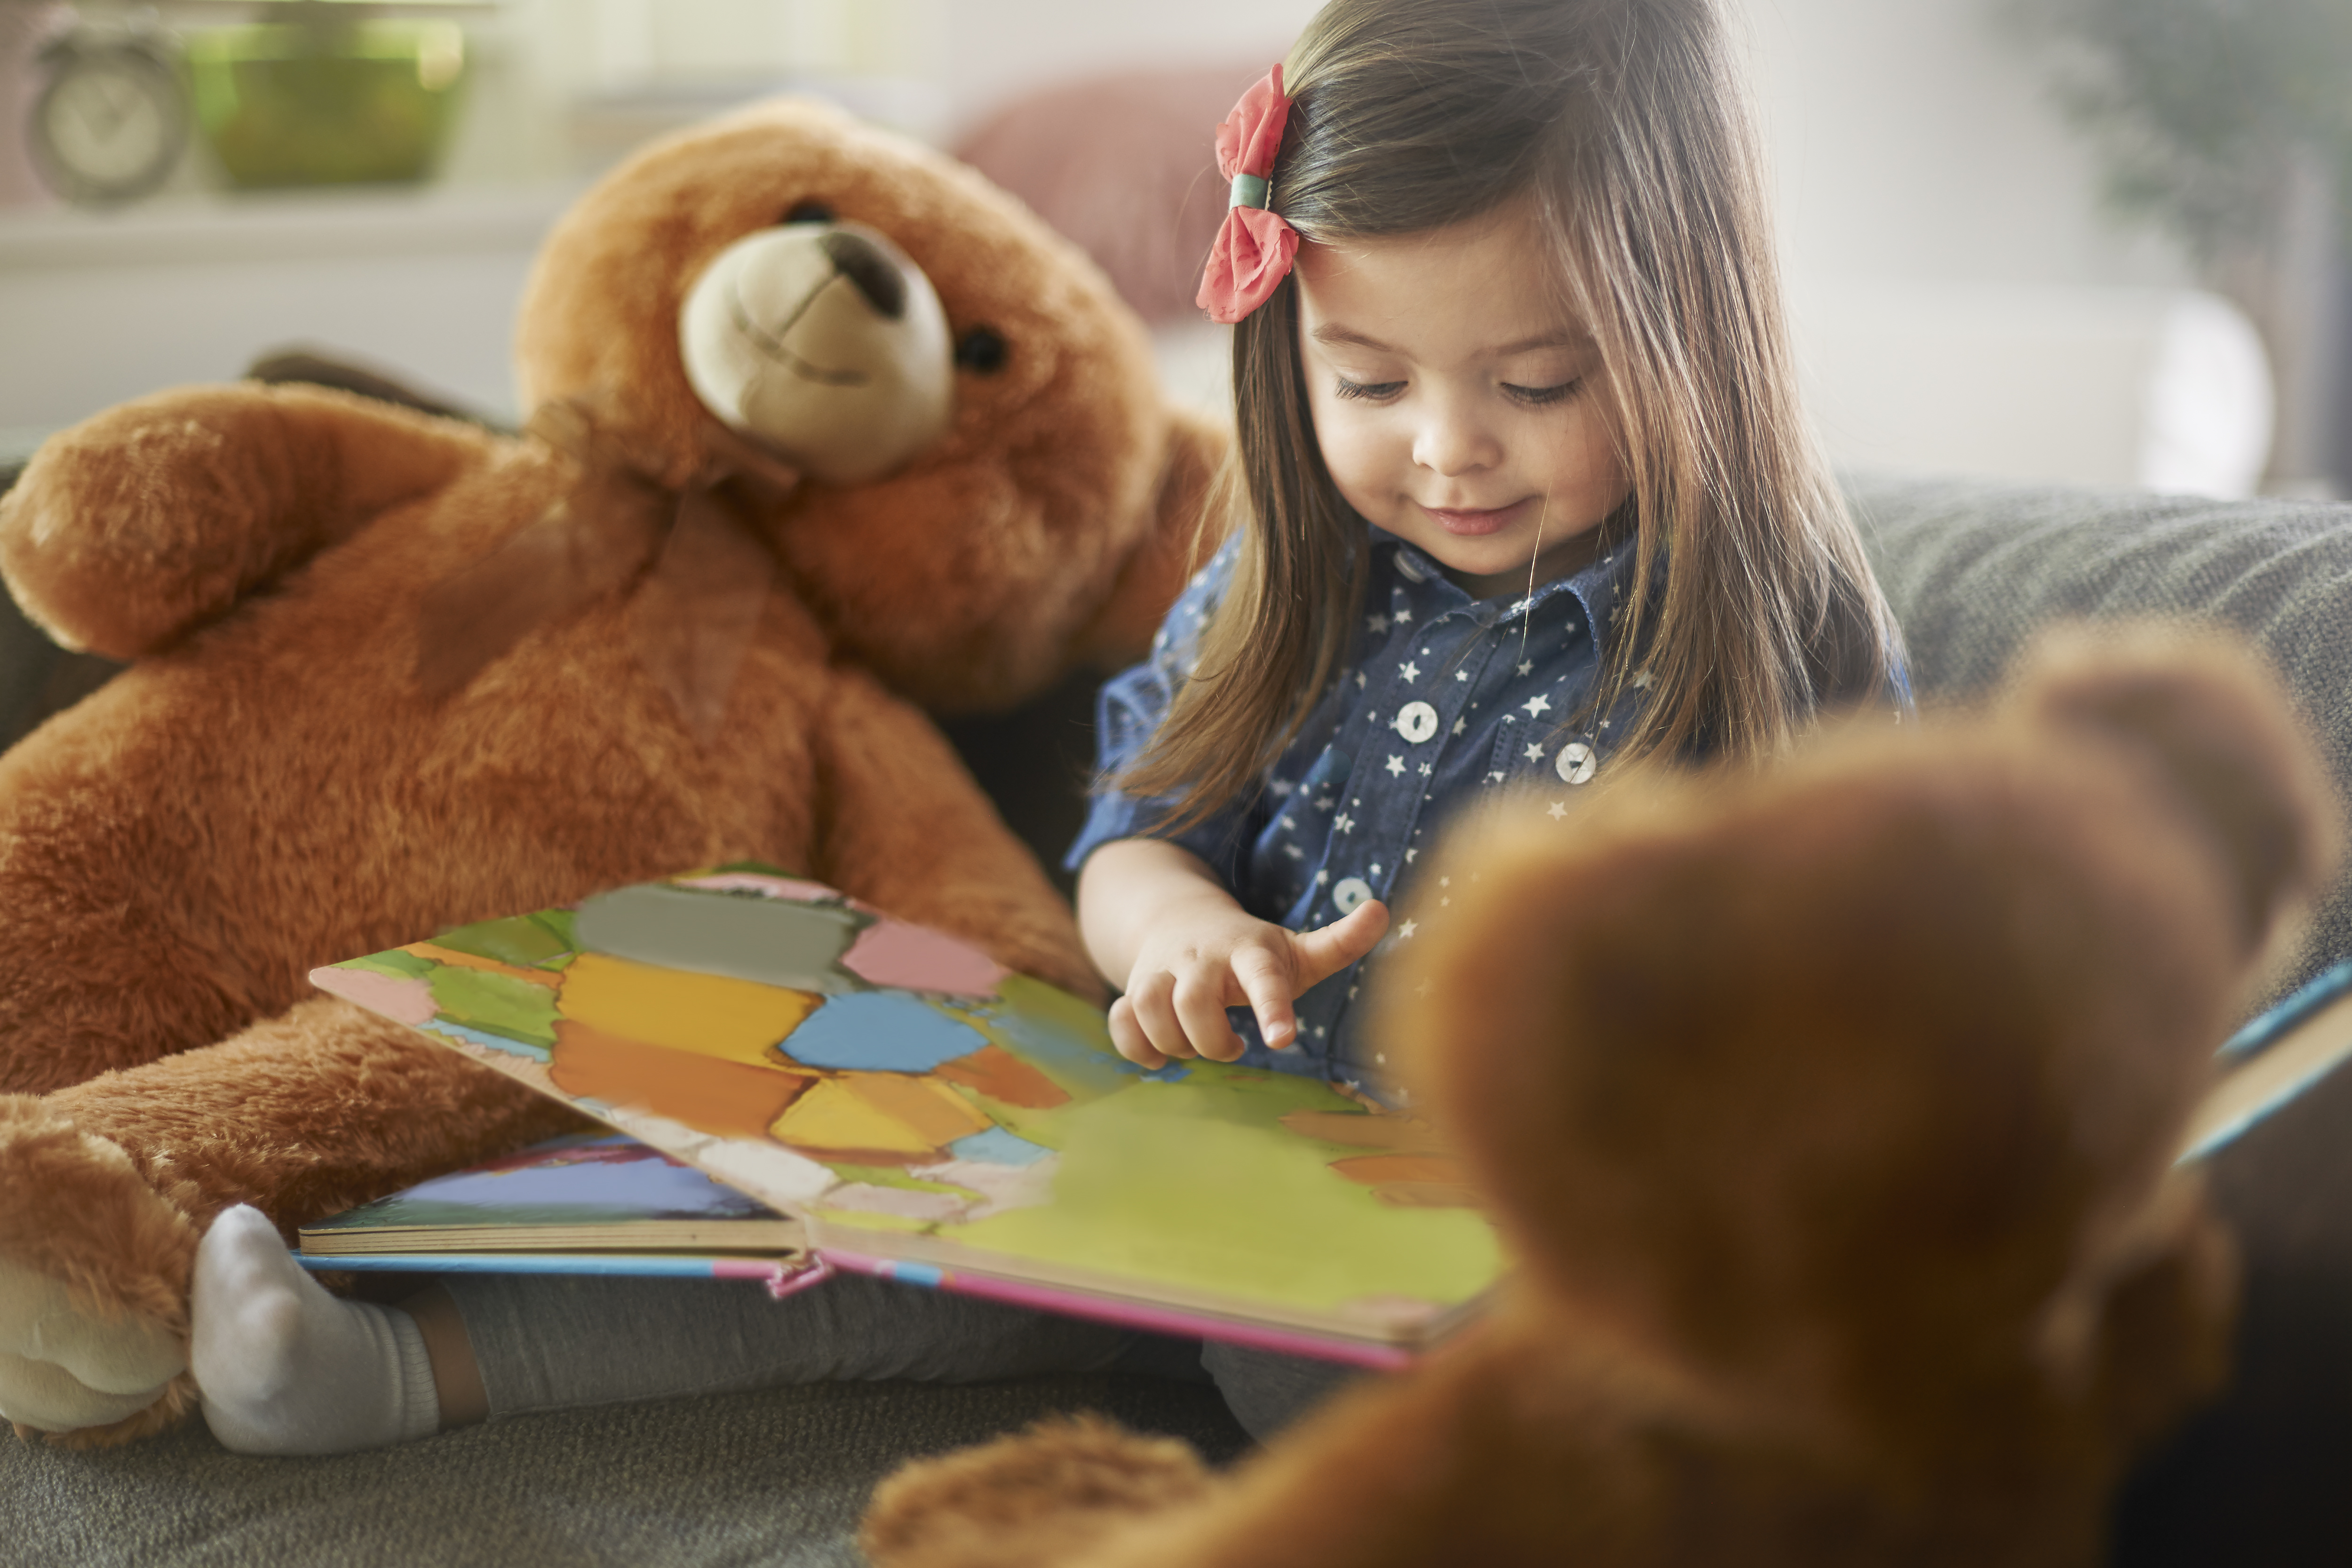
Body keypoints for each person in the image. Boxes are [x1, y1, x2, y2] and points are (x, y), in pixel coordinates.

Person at [186, 0, 1905, 1458]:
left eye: (1536, 384)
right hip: (1185, 1194)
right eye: (1371, 381)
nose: (1446, 448)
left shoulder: (1778, 649)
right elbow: (1136, 840)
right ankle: (376, 1374)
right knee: (841, 1256)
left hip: (1504, 1294)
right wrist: (1184, 937)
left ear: (1695, 321)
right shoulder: (1291, 575)